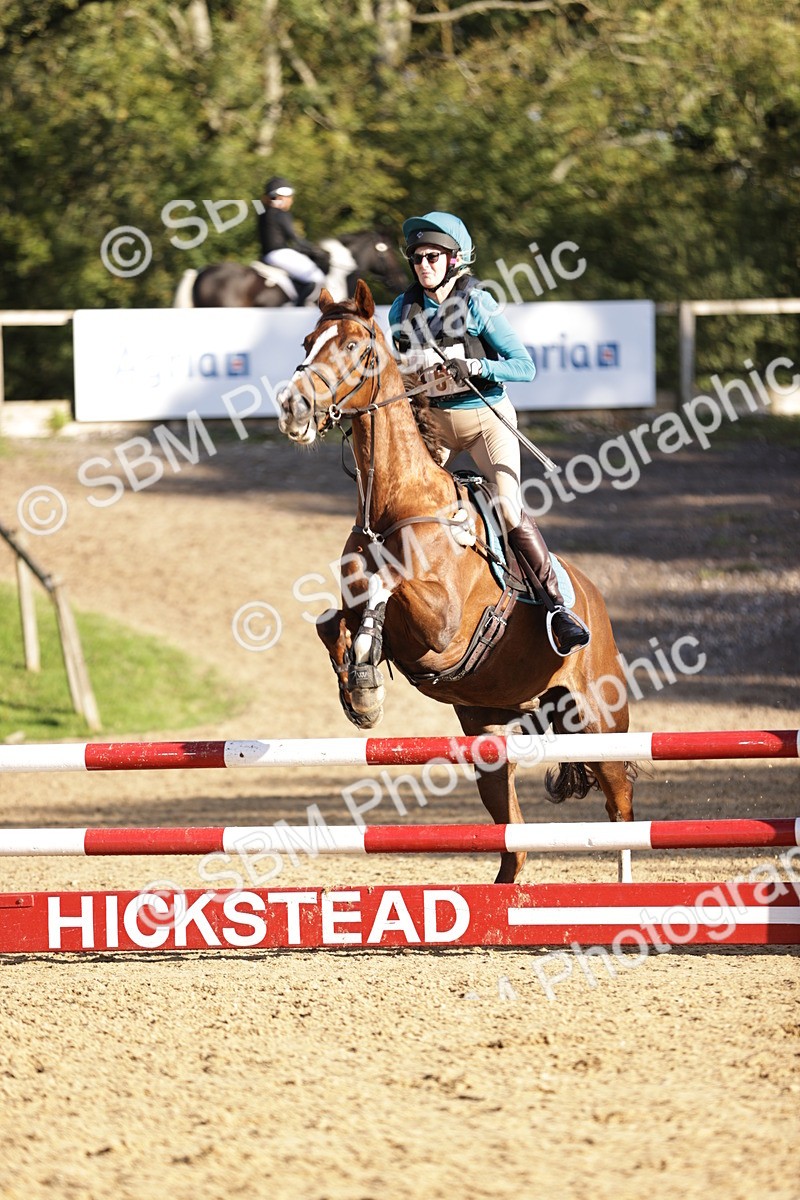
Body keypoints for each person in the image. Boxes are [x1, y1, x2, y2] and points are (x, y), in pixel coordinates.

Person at [388, 210, 590, 656]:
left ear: (454, 259)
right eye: (417, 257)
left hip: (485, 421)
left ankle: (557, 607)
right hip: (433, 425)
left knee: (509, 509)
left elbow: (525, 366)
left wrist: (477, 365)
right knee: (400, 504)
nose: (423, 265)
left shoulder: (478, 302)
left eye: (433, 256)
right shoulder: (403, 309)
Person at [257, 176, 330, 306]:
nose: (291, 200)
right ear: (279, 197)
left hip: (267, 255)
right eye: (289, 197)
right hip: (280, 254)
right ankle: (299, 306)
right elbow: (295, 239)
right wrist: (315, 250)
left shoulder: (263, 213)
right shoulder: (280, 213)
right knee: (317, 277)